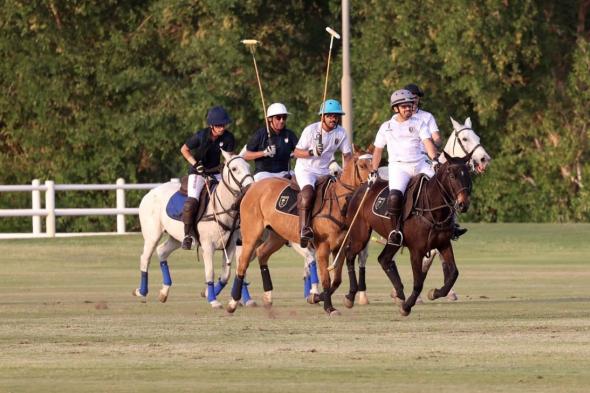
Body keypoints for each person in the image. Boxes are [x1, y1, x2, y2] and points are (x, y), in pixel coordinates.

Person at [367, 89, 439, 247]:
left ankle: (450, 225)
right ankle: (395, 231)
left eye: (410, 105)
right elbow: (378, 150)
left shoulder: (419, 123)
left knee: (442, 185)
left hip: (420, 163)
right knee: (394, 196)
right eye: (404, 106)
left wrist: (434, 160)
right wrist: (373, 170)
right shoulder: (386, 127)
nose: (409, 108)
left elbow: (428, 143)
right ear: (395, 109)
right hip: (399, 167)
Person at [405, 83, 467, 240]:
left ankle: (451, 223)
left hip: (425, 158)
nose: (413, 100)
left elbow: (437, 138)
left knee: (445, 183)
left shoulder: (427, 117)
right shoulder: (397, 119)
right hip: (404, 159)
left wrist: (435, 142)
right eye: (410, 97)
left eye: (416, 97)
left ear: (419, 99)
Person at [293, 99, 352, 248]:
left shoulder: (341, 132)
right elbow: (296, 152)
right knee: (307, 194)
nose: (333, 118)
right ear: (323, 117)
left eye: (336, 116)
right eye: (330, 115)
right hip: (306, 170)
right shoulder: (311, 130)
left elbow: (347, 156)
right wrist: (312, 151)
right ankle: (304, 229)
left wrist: (347, 173)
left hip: (325, 171)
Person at [180, 106, 235, 250]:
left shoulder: (228, 138)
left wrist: (227, 164)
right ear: (211, 125)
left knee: (233, 194)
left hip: (215, 172)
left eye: (223, 125)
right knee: (192, 201)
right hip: (198, 172)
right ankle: (187, 235)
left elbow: (229, 156)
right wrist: (195, 164)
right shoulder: (200, 136)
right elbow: (184, 149)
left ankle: (235, 229)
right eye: (218, 125)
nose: (221, 128)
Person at [243, 103, 299, 181]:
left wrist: (295, 154)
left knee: (300, 183)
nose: (282, 121)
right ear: (270, 119)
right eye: (278, 118)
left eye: (284, 117)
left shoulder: (289, 134)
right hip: (264, 173)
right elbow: (246, 155)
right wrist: (264, 153)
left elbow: (299, 151)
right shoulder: (260, 134)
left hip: (285, 172)